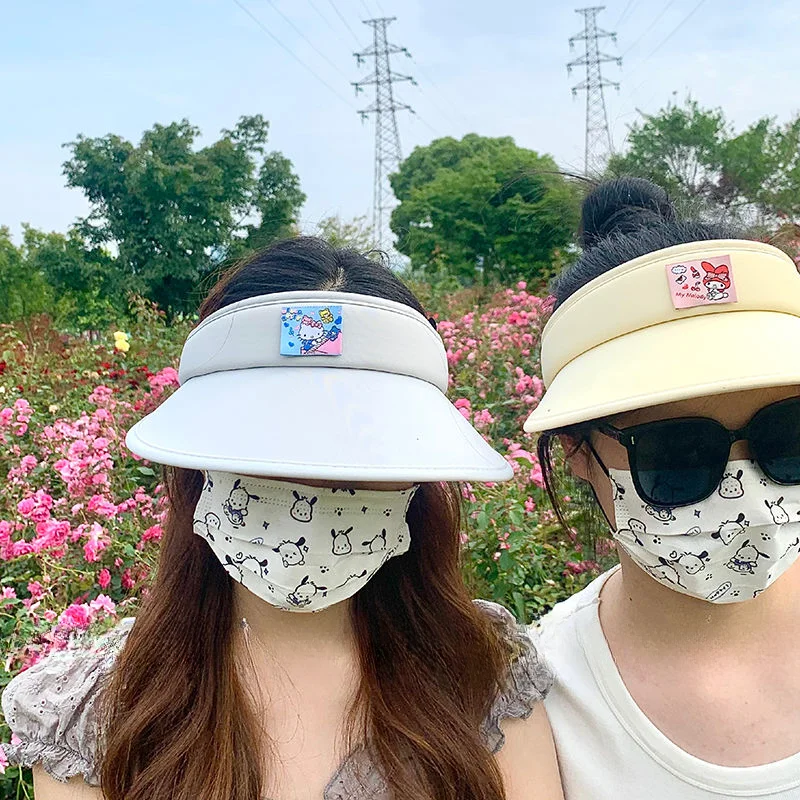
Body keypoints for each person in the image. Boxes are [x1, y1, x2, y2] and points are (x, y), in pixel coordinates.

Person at [2, 238, 563, 800]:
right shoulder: (97, 713)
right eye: (270, 444)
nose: (313, 487)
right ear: (198, 463)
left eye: (361, 448)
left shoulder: (482, 671)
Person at [525, 177, 800, 799]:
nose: (750, 496)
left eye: (788, 437)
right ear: (577, 451)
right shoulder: (533, 700)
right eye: (677, 452)